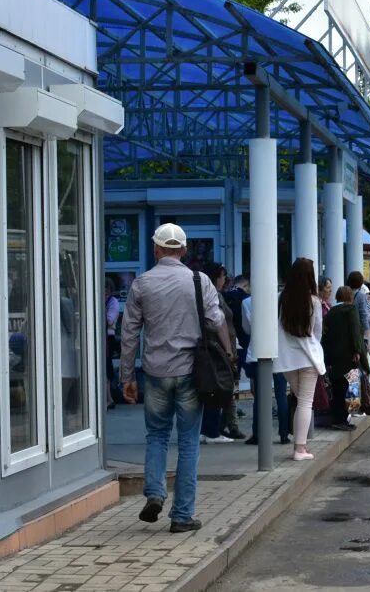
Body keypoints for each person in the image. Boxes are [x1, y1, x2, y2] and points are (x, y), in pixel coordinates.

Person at [120, 223, 231, 533]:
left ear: (156, 249)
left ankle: (155, 493)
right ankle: (182, 516)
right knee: (188, 443)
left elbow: (129, 333)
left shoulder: (142, 284)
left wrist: (127, 376)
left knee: (156, 435)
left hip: (155, 372)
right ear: (183, 250)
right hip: (191, 373)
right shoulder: (200, 281)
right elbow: (216, 319)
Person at [275, 258, 325, 460]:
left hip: (286, 358)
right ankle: (300, 448)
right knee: (305, 402)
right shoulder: (313, 301)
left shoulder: (280, 298)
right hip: (308, 356)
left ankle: (299, 446)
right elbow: (318, 331)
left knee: (300, 400)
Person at [199, 263, 243, 443]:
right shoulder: (213, 295)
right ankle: (211, 430)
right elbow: (219, 322)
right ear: (216, 277)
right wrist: (228, 350)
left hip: (218, 347)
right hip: (218, 349)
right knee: (218, 388)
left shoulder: (215, 295)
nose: (225, 280)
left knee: (217, 388)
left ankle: (211, 428)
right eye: (223, 276)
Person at [242, 290, 291, 445]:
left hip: (258, 350)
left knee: (260, 396)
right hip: (279, 351)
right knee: (281, 394)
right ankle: (284, 434)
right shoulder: (282, 299)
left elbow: (247, 328)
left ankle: (258, 433)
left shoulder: (247, 302)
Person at [322, 286, 368, 431]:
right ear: (350, 297)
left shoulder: (331, 312)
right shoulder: (351, 310)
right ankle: (349, 415)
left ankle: (337, 418)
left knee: (338, 388)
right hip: (350, 357)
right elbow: (355, 332)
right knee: (352, 386)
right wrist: (357, 350)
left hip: (335, 357)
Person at [223, 274, 252, 422]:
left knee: (232, 379)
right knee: (244, 378)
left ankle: (230, 413)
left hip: (227, 344)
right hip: (243, 343)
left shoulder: (225, 296)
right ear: (246, 285)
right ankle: (232, 415)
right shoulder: (245, 299)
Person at [347, 271, 370, 356]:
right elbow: (364, 318)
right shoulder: (361, 296)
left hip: (347, 332)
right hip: (359, 334)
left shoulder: (345, 293)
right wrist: (369, 341)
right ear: (360, 282)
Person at [105, 278, 120, 410]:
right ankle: (108, 398)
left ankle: (109, 398)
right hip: (101, 337)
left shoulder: (113, 302)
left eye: (106, 289)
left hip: (108, 337)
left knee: (106, 367)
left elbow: (110, 320)